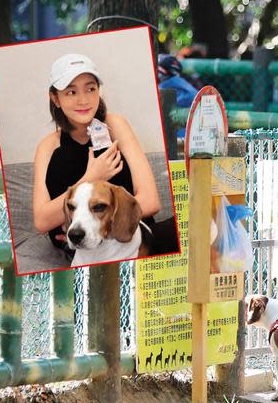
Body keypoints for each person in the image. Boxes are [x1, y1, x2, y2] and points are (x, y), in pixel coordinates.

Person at [33, 53, 178, 261]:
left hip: (130, 240)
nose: (83, 100)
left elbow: (151, 201)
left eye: (90, 89)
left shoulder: (115, 125)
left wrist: (97, 227)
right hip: (79, 250)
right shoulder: (47, 147)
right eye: (71, 92)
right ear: (55, 98)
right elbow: (41, 220)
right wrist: (92, 176)